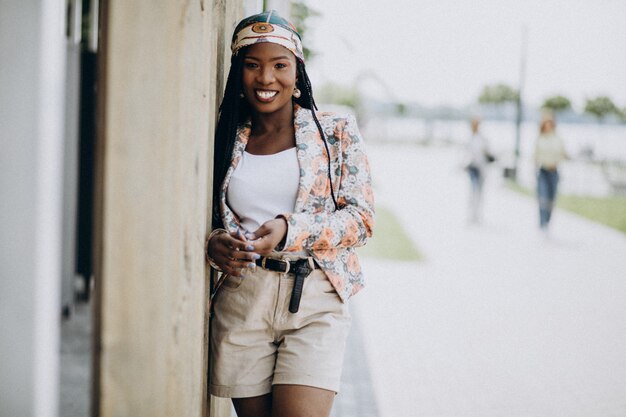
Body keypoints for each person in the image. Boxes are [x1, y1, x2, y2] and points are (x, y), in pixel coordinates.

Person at [204, 11, 375, 417]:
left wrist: (288, 228)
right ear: (237, 73)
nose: (266, 78)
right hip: (243, 298)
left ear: (297, 74)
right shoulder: (223, 135)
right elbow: (206, 218)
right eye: (252, 65)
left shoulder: (335, 132)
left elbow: (362, 220)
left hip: (314, 295)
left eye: (279, 65)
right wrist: (215, 243)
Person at [534, 112, 567, 232]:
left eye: (550, 124)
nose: (548, 126)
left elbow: (563, 154)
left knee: (551, 200)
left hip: (554, 172)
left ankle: (547, 222)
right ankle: (542, 224)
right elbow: (535, 156)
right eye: (546, 124)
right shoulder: (540, 138)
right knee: (543, 198)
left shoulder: (558, 139)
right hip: (543, 171)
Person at [464, 117, 493, 223]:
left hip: (482, 169)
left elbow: (488, 153)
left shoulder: (482, 139)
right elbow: (466, 154)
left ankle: (477, 214)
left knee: (479, 192)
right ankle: (472, 214)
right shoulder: (470, 139)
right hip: (473, 168)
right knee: (473, 191)